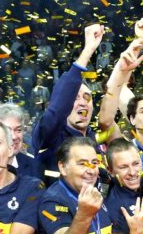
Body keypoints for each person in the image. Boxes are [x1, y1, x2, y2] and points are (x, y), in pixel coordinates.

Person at [31, 24, 105, 180]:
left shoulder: (97, 140)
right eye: (74, 98)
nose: (82, 103)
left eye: (87, 97)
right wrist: (88, 50)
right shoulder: (51, 136)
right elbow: (57, 111)